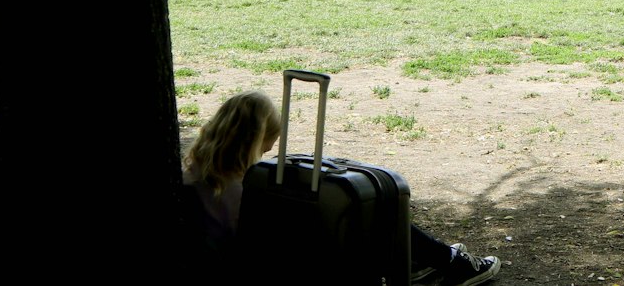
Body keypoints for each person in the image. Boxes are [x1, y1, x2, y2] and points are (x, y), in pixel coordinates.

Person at [183, 91, 500, 285]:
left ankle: (423, 258)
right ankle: (450, 262)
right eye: (268, 146)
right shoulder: (247, 191)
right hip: (264, 268)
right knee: (375, 215)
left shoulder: (195, 172)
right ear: (253, 141)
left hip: (233, 262)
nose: (267, 154)